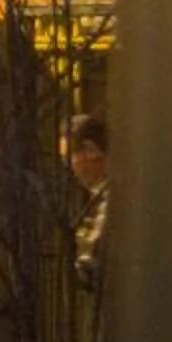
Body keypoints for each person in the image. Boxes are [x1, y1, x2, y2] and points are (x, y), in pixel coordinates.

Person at [68, 113, 109, 299]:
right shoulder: (99, 198)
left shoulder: (110, 199)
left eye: (72, 155)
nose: (71, 166)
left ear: (91, 151)